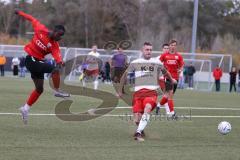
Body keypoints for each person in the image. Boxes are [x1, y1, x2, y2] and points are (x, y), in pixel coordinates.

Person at [15, 10, 70, 124]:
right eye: (59, 35)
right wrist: (20, 12)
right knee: (54, 70)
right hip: (31, 59)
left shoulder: (54, 45)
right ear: (54, 31)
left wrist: (61, 62)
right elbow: (31, 18)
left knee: (39, 89)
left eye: (62, 36)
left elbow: (58, 57)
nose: (60, 38)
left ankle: (25, 108)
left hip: (37, 63)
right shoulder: (40, 29)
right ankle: (58, 90)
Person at [118, 42, 176, 141]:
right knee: (136, 119)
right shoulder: (135, 62)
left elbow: (166, 72)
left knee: (148, 107)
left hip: (151, 93)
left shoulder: (157, 62)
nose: (149, 52)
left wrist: (172, 80)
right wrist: (120, 90)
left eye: (150, 50)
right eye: (147, 49)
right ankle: (141, 129)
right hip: (138, 94)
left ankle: (138, 133)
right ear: (142, 50)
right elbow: (124, 75)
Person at [156, 39, 184, 118]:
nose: (173, 47)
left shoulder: (178, 56)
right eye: (171, 45)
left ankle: (158, 105)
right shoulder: (165, 55)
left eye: (174, 45)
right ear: (169, 46)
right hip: (168, 78)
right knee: (170, 95)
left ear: (176, 46)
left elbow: (182, 65)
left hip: (176, 78)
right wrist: (161, 69)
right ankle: (172, 113)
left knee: (167, 95)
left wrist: (180, 69)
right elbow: (158, 63)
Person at [155, 43, 169, 115]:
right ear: (162, 49)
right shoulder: (158, 58)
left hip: (167, 79)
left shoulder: (170, 58)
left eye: (167, 48)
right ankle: (168, 111)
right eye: (165, 48)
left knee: (166, 95)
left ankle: (160, 107)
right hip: (160, 78)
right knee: (166, 95)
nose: (166, 50)